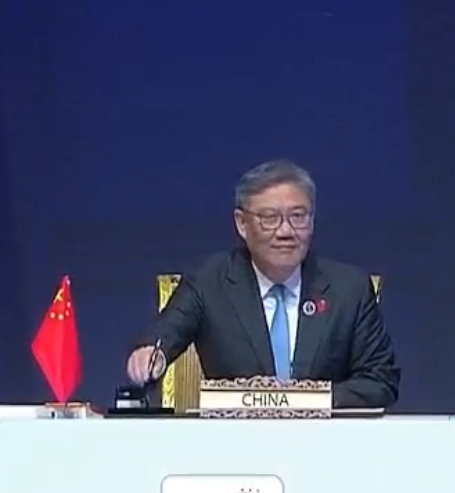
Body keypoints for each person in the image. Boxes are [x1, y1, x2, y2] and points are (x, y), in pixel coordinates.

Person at [125, 159, 401, 408]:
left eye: (298, 216)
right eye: (270, 218)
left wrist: (311, 401)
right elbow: (167, 332)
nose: (285, 231)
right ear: (242, 224)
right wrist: (152, 354)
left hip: (324, 439)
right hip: (236, 440)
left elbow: (381, 380)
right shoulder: (209, 281)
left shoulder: (349, 288)